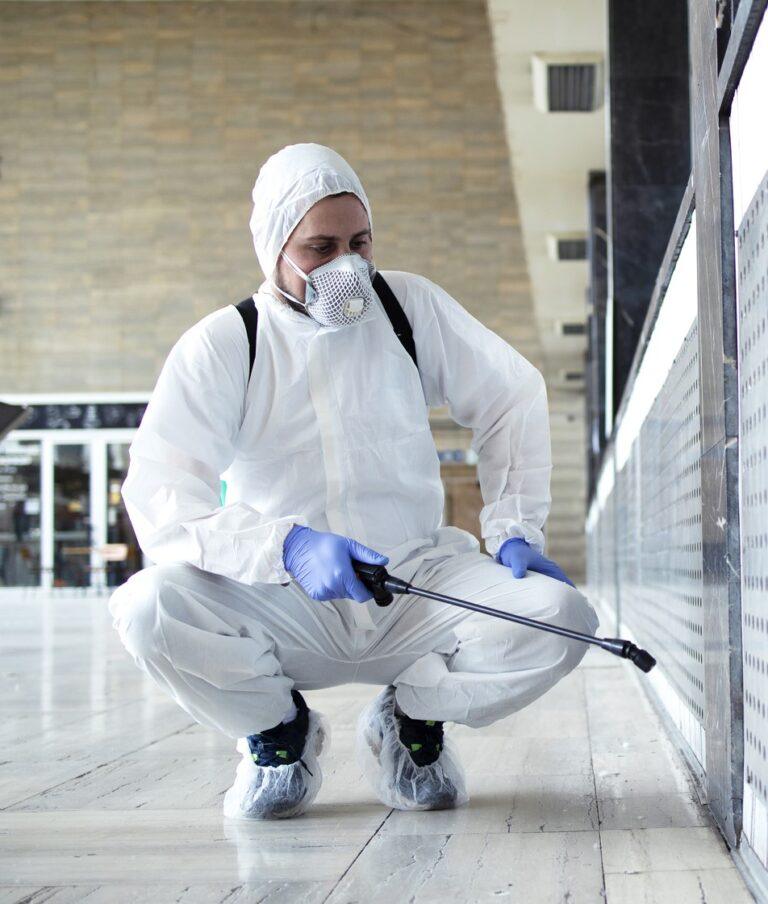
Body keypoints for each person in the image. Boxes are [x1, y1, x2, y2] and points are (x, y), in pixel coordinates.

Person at [108, 142, 599, 820]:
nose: (347, 266)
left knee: (562, 619)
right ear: (274, 247)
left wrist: (512, 527)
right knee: (148, 608)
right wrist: (284, 548)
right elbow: (162, 495)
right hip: (283, 600)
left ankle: (411, 721)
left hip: (414, 583)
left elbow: (511, 394)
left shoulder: (408, 309)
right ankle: (279, 734)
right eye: (320, 247)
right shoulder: (227, 344)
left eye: (359, 242)